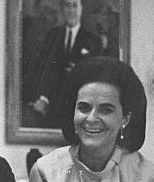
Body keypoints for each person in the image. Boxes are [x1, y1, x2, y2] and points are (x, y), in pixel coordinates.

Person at [25, 0, 103, 128]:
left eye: (74, 6)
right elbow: (42, 71)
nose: (71, 10)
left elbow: (98, 79)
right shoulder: (51, 36)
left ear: (81, 8)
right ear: (62, 9)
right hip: (52, 108)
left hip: (80, 109)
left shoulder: (94, 40)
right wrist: (43, 98)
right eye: (67, 5)